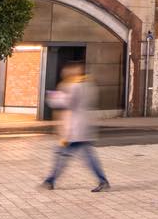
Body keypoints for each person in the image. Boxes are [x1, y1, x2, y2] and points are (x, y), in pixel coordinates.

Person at [41, 61, 110, 192]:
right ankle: (102, 180)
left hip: (75, 129)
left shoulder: (75, 86)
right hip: (83, 127)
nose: (65, 72)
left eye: (69, 69)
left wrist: (53, 97)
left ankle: (50, 180)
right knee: (87, 157)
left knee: (63, 155)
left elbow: (67, 102)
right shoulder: (89, 84)